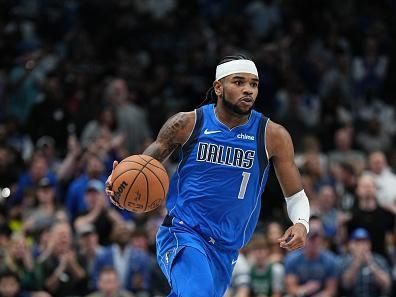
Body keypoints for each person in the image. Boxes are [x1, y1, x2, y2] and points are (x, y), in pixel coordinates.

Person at [105, 54, 310, 297]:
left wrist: (301, 223)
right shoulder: (187, 123)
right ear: (218, 87)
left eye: (253, 84)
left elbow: (295, 194)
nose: (248, 90)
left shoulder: (273, 135)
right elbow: (144, 167)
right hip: (184, 232)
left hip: (226, 248)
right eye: (239, 82)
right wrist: (120, 182)